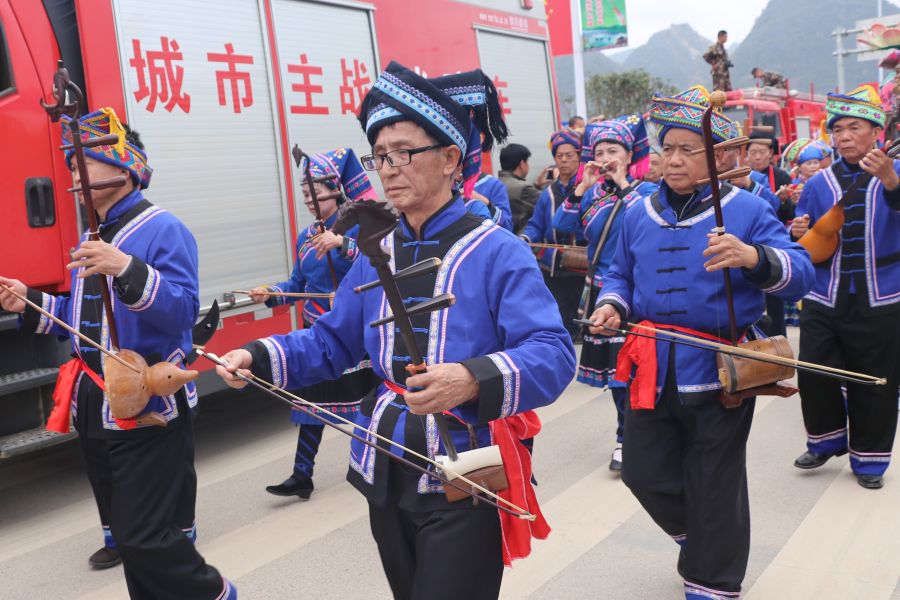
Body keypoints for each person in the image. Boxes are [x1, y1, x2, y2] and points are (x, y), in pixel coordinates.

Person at [214, 62, 576, 600]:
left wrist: (471, 379)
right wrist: (257, 357)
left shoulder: (498, 250)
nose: (389, 168)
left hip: (466, 466)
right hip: (382, 460)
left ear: (451, 158)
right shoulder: (374, 252)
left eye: (405, 152)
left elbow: (553, 353)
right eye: (380, 156)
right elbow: (332, 341)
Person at [589, 86, 814, 600]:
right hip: (649, 366)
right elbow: (617, 274)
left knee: (715, 481)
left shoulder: (749, 210)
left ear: (721, 157)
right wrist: (613, 306)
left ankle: (713, 581)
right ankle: (705, 543)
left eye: (687, 150)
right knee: (643, 473)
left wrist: (754, 258)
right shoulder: (636, 213)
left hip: (721, 368)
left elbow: (799, 273)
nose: (672, 159)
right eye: (667, 148)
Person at [0, 110, 235, 599]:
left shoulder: (163, 229)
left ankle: (215, 594)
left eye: (83, 162)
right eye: (70, 163)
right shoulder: (94, 234)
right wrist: (29, 299)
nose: (72, 173)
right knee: (125, 528)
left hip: (145, 403)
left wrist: (127, 267)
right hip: (96, 396)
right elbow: (81, 318)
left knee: (144, 534)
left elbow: (182, 313)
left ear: (123, 168)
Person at [248, 148, 378, 499]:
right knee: (311, 408)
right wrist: (270, 293)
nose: (309, 200)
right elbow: (297, 287)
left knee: (365, 406)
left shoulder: (359, 225)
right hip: (316, 332)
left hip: (353, 334)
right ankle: (301, 475)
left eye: (315, 192)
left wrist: (344, 243)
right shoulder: (306, 237)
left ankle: (379, 464)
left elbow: (381, 261)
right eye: (305, 194)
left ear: (335, 190)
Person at [791, 86, 900, 490]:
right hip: (825, 293)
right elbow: (805, 231)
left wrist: (891, 179)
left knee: (874, 381)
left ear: (877, 132)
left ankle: (870, 461)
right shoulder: (818, 183)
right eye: (837, 129)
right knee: (813, 370)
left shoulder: (896, 172)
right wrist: (797, 229)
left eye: (855, 127)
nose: (844, 136)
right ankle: (827, 439)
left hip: (883, 294)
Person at [552, 116, 658, 472]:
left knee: (636, 370)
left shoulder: (645, 193)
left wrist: (624, 184)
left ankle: (632, 438)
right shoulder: (591, 194)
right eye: (599, 151)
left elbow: (644, 225)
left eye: (614, 150)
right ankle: (624, 436)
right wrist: (582, 187)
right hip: (601, 292)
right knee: (615, 374)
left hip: (635, 293)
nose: (607, 156)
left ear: (630, 156)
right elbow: (562, 226)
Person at [520, 127, 588, 340]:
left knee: (581, 318)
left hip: (582, 263)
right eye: (559, 156)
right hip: (553, 265)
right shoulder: (547, 193)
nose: (564, 160)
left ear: (580, 157)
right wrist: (525, 238)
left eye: (570, 155)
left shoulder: (589, 189)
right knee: (558, 316)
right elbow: (536, 225)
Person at [498, 143, 545, 234]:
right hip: (523, 242)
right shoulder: (524, 189)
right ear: (522, 164)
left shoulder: (495, 184)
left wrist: (536, 186)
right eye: (527, 161)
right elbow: (549, 203)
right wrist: (557, 180)